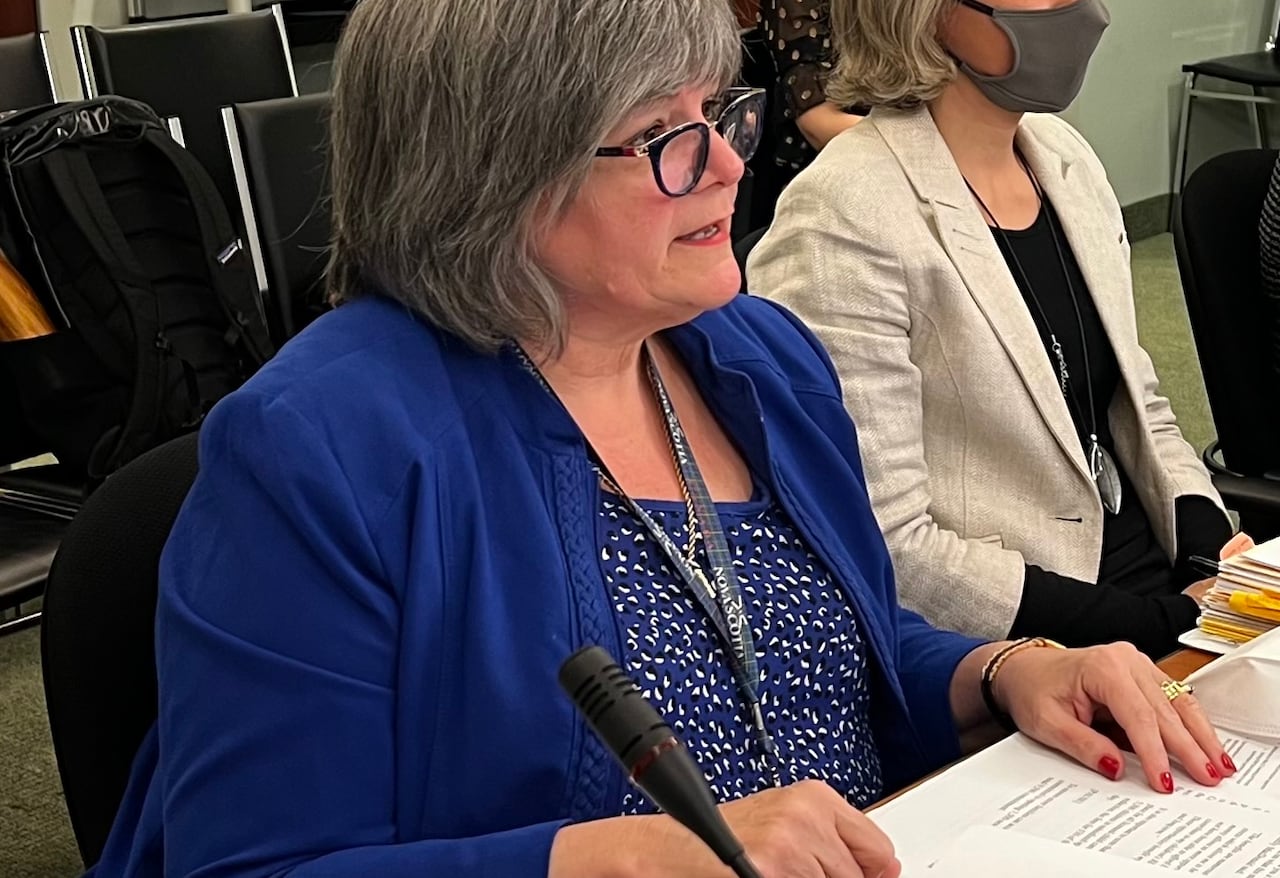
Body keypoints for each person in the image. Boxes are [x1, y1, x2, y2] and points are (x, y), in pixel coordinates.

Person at [90, 1, 1235, 876]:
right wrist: (636, 851)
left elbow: (827, 649)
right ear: (489, 176)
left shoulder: (752, 357)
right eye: (661, 139)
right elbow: (257, 862)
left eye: (716, 116)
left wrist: (1007, 669)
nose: (732, 165)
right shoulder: (320, 450)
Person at [749, 0, 1249, 660]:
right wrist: (1154, 623)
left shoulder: (1064, 157)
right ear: (927, 15)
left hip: (1166, 600)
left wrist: (1213, 551)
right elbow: (888, 541)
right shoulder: (845, 216)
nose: (1081, 10)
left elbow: (1140, 407)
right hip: (1035, 644)